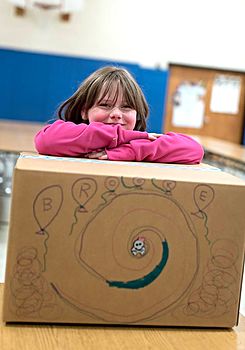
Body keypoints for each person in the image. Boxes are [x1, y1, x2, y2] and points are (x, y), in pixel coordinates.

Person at [34, 66, 204, 164]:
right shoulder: (75, 137)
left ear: (137, 114)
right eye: (105, 105)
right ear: (84, 111)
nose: (116, 114)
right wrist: (117, 136)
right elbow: (45, 140)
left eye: (126, 107)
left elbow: (194, 150)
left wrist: (129, 151)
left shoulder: (140, 143)